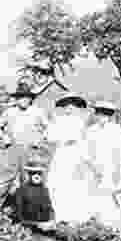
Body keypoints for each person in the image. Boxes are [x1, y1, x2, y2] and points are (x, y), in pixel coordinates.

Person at [84, 101, 121, 237]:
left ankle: (116, 231)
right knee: (96, 199)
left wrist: (116, 169)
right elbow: (85, 153)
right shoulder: (90, 131)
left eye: (106, 115)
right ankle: (98, 229)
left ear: (110, 116)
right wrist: (93, 168)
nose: (103, 117)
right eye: (100, 114)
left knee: (116, 198)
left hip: (113, 169)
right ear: (96, 115)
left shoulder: (117, 131)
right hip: (95, 169)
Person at [0, 82, 49, 202]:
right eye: (20, 97)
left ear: (30, 99)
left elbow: (48, 129)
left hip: (31, 150)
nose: (23, 100)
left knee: (29, 178)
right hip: (13, 149)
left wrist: (39, 140)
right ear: (16, 99)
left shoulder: (37, 112)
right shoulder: (9, 112)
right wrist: (4, 137)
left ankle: (28, 208)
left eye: (26, 97)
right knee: (6, 178)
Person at [44, 92, 95, 225]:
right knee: (58, 183)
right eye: (66, 105)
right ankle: (60, 215)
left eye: (72, 105)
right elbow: (49, 136)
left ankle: (76, 217)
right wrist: (62, 139)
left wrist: (85, 158)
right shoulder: (58, 120)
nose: (69, 108)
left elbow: (85, 140)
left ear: (77, 107)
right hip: (62, 153)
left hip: (77, 154)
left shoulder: (81, 121)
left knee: (77, 183)